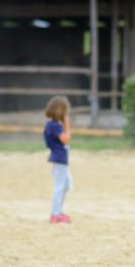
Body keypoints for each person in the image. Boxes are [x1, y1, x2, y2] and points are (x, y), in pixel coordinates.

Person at [44, 95, 73, 223]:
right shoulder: (54, 126)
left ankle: (58, 211)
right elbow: (66, 139)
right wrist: (67, 125)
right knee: (60, 186)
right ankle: (55, 214)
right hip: (59, 159)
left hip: (62, 159)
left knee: (66, 185)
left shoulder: (55, 125)